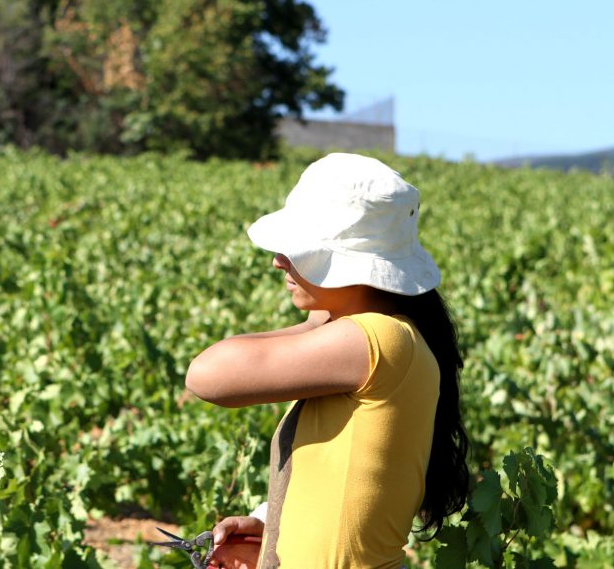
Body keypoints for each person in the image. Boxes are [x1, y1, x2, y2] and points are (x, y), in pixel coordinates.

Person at [186, 153, 469, 569]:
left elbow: (207, 375)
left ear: (349, 265)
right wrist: (269, 528)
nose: (278, 261)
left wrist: (313, 323)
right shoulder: (388, 338)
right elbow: (349, 480)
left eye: (299, 251)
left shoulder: (378, 339)